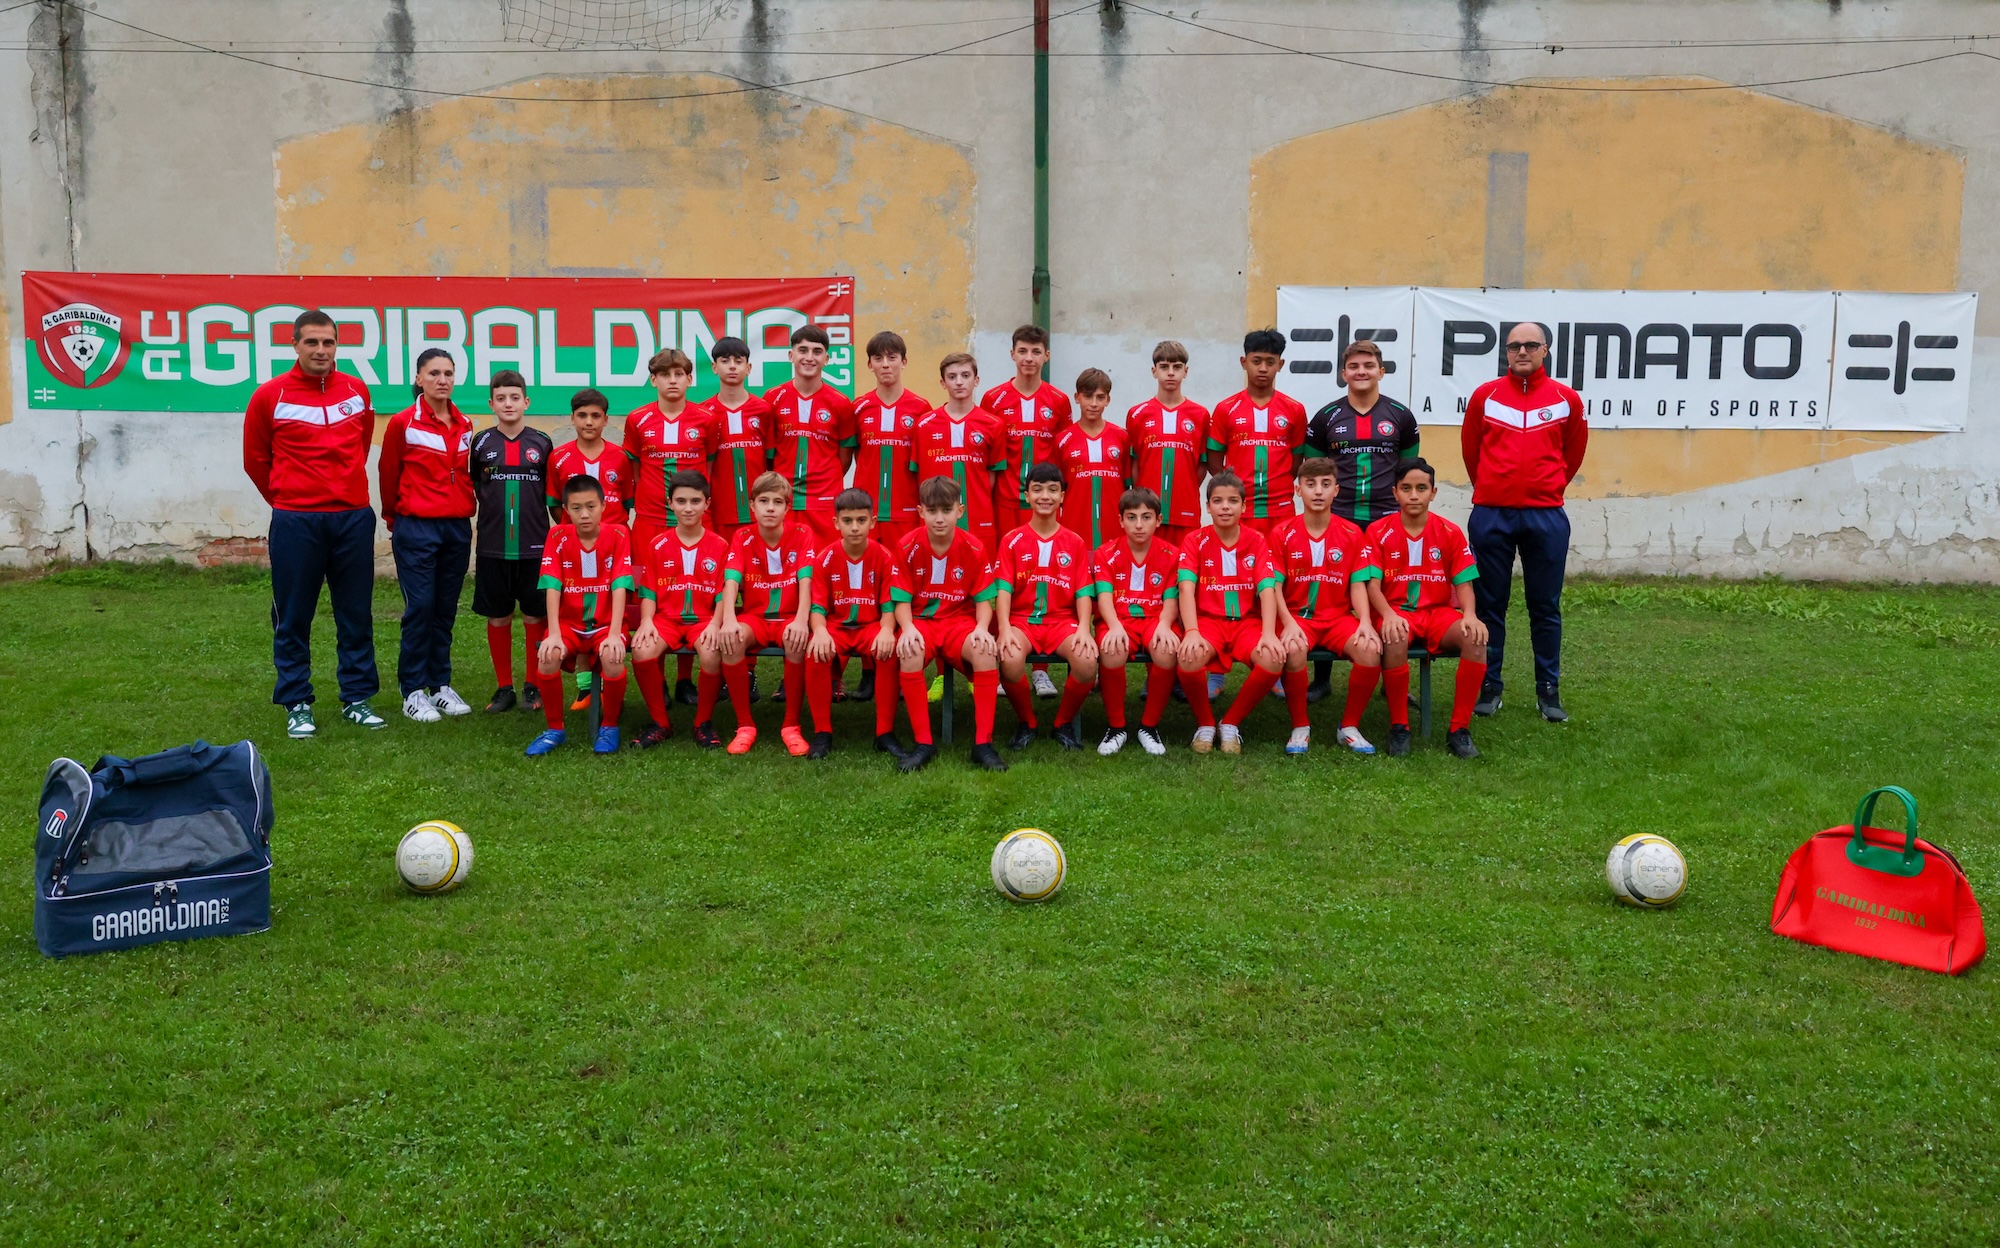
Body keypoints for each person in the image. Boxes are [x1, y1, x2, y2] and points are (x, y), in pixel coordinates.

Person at [243, 308, 384, 738]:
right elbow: (256, 460)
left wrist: (340, 493)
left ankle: (357, 698)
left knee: (355, 612)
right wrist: (289, 500)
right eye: (312, 342)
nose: (321, 350)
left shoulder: (356, 390)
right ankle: (297, 702)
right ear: (295, 345)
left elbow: (360, 445)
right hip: (296, 522)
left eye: (328, 342)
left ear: (337, 345)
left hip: (352, 518)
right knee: (293, 615)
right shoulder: (271, 395)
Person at [1462, 322, 1588, 723]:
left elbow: (1573, 454)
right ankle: (1489, 686)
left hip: (1545, 515)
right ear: (1506, 351)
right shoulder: (1486, 396)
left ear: (1545, 350)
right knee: (1488, 605)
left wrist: (1545, 489)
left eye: (1530, 345)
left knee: (1545, 606)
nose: (1521, 351)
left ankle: (1548, 691)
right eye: (1514, 345)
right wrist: (1493, 490)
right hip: (1491, 514)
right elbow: (1471, 451)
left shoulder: (1566, 399)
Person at [1299, 339, 1419, 702]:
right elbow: (1312, 470)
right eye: (1354, 366)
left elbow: (1409, 471)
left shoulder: (1401, 415)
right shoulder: (1326, 417)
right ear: (1343, 373)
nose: (1361, 371)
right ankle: (1322, 677)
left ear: (1381, 371)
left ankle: (1391, 676)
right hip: (1339, 516)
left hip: (1385, 519)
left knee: (1389, 592)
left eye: (1369, 365)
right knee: (1329, 591)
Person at [1362, 459, 1488, 760]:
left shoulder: (1450, 532)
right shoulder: (1378, 531)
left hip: (1437, 614)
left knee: (1475, 638)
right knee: (1395, 637)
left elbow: (1464, 584)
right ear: (1395, 493)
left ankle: (1459, 729)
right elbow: (1372, 586)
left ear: (1434, 492)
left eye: (1421, 488)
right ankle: (1399, 726)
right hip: (1395, 611)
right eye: (1406, 488)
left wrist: (1470, 615)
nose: (1414, 495)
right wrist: (1389, 615)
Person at [378, 347, 477, 724]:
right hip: (415, 525)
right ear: (419, 379)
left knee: (444, 608)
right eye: (433, 373)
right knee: (419, 607)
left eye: (448, 373)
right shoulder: (403, 423)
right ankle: (413, 691)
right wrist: (395, 518)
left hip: (455, 527)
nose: (442, 380)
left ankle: (440, 686)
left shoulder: (465, 424)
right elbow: (389, 474)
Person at [1268, 455, 1381, 756]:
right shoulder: (1282, 533)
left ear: (1336, 491)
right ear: (1298, 490)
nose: (1318, 491)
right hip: (1297, 618)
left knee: (1370, 649)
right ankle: (1300, 726)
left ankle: (1349, 726)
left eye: (1325, 484)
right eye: (1310, 484)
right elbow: (1274, 586)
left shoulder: (1351, 533)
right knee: (1293, 649)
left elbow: (1358, 584)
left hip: (1337, 619)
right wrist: (1288, 622)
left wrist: (1366, 622)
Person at [891, 476, 1005, 773]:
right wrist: (908, 628)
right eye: (932, 511)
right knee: (910, 651)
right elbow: (901, 600)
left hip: (959, 624)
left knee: (983, 651)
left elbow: (983, 602)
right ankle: (924, 743)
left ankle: (983, 744)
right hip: (923, 623)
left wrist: (981, 628)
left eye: (946, 510)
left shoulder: (974, 547)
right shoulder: (906, 546)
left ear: (960, 511)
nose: (939, 518)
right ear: (920, 512)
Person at [623, 348, 713, 708]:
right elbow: (634, 468)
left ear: (690, 379)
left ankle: (684, 680)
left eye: (680, 374)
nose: (672, 380)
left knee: (690, 592)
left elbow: (710, 466)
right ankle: (656, 678)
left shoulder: (706, 419)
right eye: (665, 374)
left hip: (691, 525)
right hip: (648, 524)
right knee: (651, 595)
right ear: (653, 379)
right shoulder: (637, 419)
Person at [1175, 472, 1286, 754]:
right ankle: (1205, 724)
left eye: (1232, 501)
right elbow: (1186, 589)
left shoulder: (1257, 540)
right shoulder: (1194, 540)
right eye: (1218, 501)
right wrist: (1191, 631)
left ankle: (1231, 723)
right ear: (1208, 506)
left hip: (1247, 624)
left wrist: (1270, 633)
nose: (1225, 507)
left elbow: (1267, 590)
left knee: (1273, 658)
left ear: (1244, 507)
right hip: (1208, 623)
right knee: (1188, 657)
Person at [848, 330, 930, 705]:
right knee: (867, 587)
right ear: (869, 365)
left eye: (892, 357)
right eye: (878, 358)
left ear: (904, 362)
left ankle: (901, 666)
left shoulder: (921, 408)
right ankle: (871, 667)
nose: (885, 364)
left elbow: (925, 464)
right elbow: (845, 459)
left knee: (901, 590)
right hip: (867, 516)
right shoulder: (859, 407)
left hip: (905, 514)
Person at [992, 463, 1099, 751]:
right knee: (1010, 659)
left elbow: (1083, 592)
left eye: (1053, 490)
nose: (1045, 496)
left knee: (1087, 662)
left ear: (1063, 496)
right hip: (1023, 620)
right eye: (1037, 489)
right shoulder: (1012, 540)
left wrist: (1085, 630)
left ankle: (1062, 723)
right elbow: (1003, 590)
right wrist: (1003, 629)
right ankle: (1027, 722)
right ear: (1026, 495)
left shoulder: (1074, 542)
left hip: (1063, 622)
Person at [525, 475, 634, 756]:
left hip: (607, 624)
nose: (584, 514)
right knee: (547, 657)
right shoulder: (557, 536)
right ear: (565, 510)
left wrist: (614, 633)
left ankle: (609, 727)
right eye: (576, 508)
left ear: (603, 506)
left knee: (612, 656)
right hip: (569, 625)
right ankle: (554, 730)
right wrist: (554, 632)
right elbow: (552, 585)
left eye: (590, 506)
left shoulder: (619, 535)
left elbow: (620, 585)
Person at [469, 368, 554, 715]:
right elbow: (476, 485)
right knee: (499, 617)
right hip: (493, 546)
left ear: (526, 402)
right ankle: (504, 687)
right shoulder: (481, 443)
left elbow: (551, 492)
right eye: (501, 398)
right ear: (491, 403)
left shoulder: (542, 443)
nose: (508, 403)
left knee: (535, 617)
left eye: (514, 397)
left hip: (535, 546)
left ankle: (533, 685)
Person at [626, 470, 731, 749]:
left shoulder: (720, 546)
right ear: (670, 503)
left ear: (707, 504)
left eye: (695, 501)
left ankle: (703, 723)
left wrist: (714, 624)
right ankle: (660, 723)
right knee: (642, 650)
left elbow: (723, 594)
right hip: (666, 620)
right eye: (681, 501)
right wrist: (646, 621)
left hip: (703, 620)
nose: (688, 508)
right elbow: (648, 591)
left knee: (711, 652)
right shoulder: (658, 544)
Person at [717, 471, 817, 756]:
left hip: (788, 617)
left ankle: (791, 726)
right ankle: (745, 725)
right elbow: (731, 581)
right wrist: (729, 620)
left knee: (797, 642)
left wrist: (801, 620)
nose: (770, 507)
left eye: (777, 501)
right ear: (752, 506)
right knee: (732, 639)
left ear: (788, 506)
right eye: (763, 501)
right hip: (756, 619)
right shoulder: (742, 536)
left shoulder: (802, 533)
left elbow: (806, 581)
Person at [804, 488, 906, 761]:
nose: (854, 527)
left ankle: (884, 733)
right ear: (836, 523)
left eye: (861, 520)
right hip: (836, 628)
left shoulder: (884, 556)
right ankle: (822, 733)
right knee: (815, 652)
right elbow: (817, 607)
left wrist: (886, 630)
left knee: (888, 651)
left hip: (871, 626)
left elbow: (889, 605)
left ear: (873, 522)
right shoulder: (824, 557)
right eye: (847, 521)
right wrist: (821, 630)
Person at [547, 388, 633, 710]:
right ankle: (586, 688)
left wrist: (608, 534)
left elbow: (626, 503)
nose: (588, 421)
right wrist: (573, 534)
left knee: (607, 609)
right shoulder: (560, 457)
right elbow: (556, 504)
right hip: (575, 547)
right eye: (582, 415)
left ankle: (609, 686)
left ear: (606, 420)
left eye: (595, 416)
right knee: (580, 610)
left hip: (613, 549)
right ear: (572, 418)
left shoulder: (620, 457)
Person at [1090, 487, 1183, 756]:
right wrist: (1115, 625)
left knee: (1166, 650)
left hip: (1156, 618)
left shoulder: (1171, 554)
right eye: (1131, 517)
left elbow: (1171, 599)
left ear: (1159, 519)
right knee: (1112, 648)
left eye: (1146, 517)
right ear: (1121, 521)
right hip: (1118, 619)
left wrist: (1165, 624)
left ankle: (1149, 726)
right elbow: (1104, 597)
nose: (1139, 525)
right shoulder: (1106, 553)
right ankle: (1116, 726)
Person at [1207, 329, 1308, 534]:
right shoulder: (1226, 408)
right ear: (1244, 362)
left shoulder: (1294, 409)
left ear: (1280, 365)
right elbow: (1214, 461)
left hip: (1281, 509)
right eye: (1256, 361)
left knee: (1279, 566)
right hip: (1240, 509)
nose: (1263, 368)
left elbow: (1296, 461)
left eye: (1270, 362)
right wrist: (1232, 490)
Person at [765, 324, 856, 548]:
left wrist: (823, 482)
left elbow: (844, 456)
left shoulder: (840, 402)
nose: (809, 357)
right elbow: (768, 455)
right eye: (803, 350)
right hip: (784, 501)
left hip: (825, 502)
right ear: (791, 355)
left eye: (817, 352)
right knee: (784, 567)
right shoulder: (772, 398)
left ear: (826, 358)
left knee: (823, 568)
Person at [981, 323, 1074, 536]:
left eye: (1036, 352)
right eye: (1022, 351)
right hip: (1005, 502)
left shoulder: (1059, 401)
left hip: (1045, 502)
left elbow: (1063, 452)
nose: (1029, 358)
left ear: (1047, 355)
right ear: (1012, 354)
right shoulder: (993, 399)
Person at [913, 353, 1009, 554]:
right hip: (936, 526)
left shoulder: (993, 425)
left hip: (979, 522)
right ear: (943, 383)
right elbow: (918, 476)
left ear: (976, 381)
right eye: (952, 376)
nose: (959, 382)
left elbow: (991, 477)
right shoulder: (923, 424)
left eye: (965, 375)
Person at [1127, 340, 1210, 551]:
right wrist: (1143, 496)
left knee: (1183, 572)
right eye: (1164, 367)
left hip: (1186, 510)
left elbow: (1202, 464)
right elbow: (1134, 462)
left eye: (1177, 367)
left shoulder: (1200, 415)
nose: (1170, 373)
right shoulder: (1138, 414)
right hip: (1147, 513)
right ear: (1154, 371)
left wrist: (1186, 488)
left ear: (1186, 371)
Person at [700, 336, 775, 549]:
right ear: (714, 367)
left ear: (748, 367)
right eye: (725, 361)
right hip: (719, 512)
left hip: (758, 513)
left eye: (738, 361)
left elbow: (772, 464)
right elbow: (705, 467)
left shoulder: (764, 410)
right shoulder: (704, 413)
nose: (732, 366)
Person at [1050, 368, 1129, 549]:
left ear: (1108, 400)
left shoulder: (1122, 437)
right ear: (1077, 397)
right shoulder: (1063, 440)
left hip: (1114, 530)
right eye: (1088, 396)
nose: (1094, 403)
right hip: (1074, 529)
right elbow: (1056, 489)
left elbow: (1127, 485)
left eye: (1100, 397)